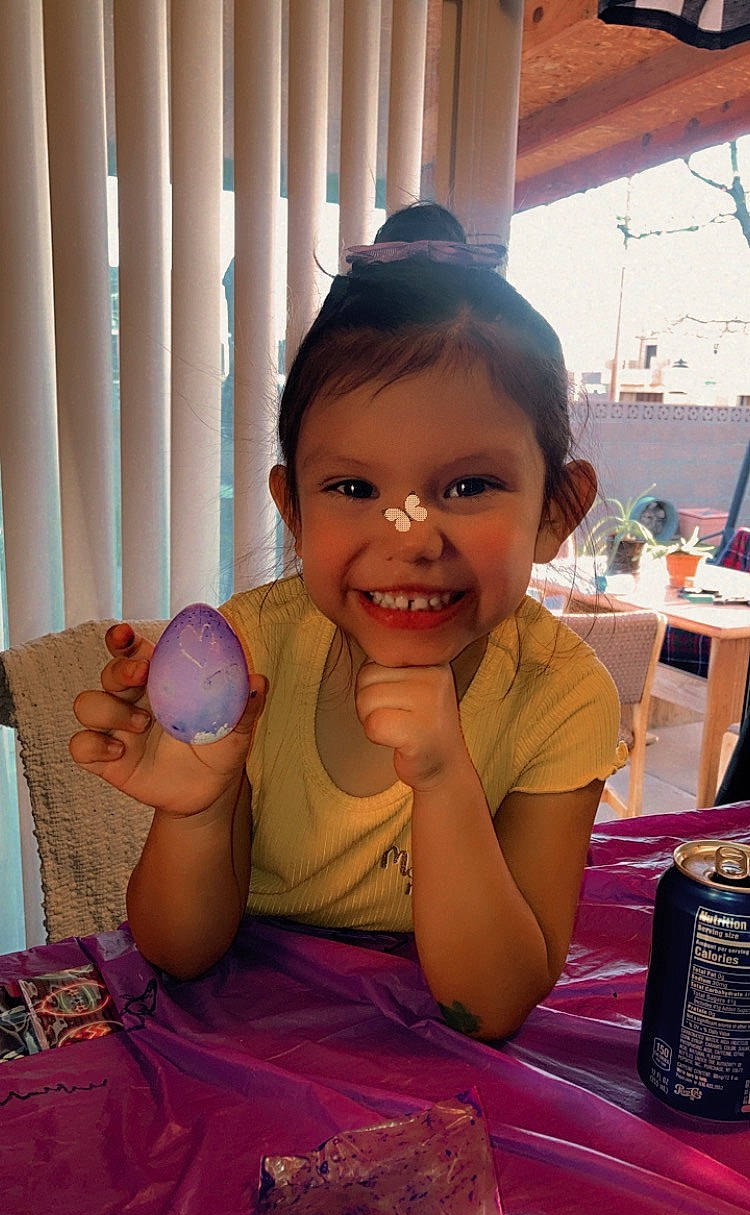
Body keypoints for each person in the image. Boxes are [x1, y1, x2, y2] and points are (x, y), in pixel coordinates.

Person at [70, 203, 625, 1040]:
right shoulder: (250, 656)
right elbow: (178, 955)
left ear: (557, 510)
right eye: (354, 488)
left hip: (435, 1061)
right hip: (247, 1037)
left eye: (469, 486)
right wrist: (197, 810)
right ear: (293, 511)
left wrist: (443, 778)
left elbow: (490, 1006)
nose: (411, 538)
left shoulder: (562, 695)